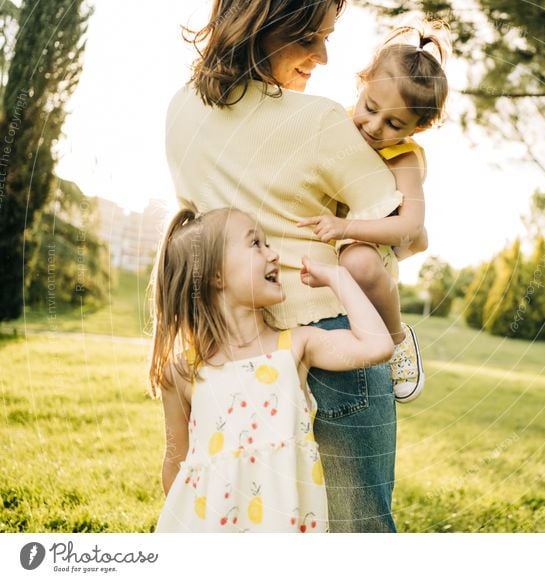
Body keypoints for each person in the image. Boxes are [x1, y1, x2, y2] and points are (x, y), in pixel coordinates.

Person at [166, 0, 404, 531]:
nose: (322, 55)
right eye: (308, 38)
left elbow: (202, 234)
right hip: (335, 340)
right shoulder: (318, 120)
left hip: (230, 354)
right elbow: (397, 226)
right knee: (356, 530)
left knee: (241, 516)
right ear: (263, 27)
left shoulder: (180, 111)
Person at [150, 207, 394, 533]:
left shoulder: (294, 347)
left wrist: (339, 277)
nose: (274, 255)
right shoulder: (183, 371)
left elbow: (377, 346)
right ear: (214, 275)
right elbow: (175, 462)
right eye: (256, 244)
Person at [297, 22, 450, 404]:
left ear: (420, 127)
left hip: (372, 238)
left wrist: (346, 226)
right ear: (361, 82)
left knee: (360, 263)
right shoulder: (338, 125)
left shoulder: (404, 158)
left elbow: (410, 225)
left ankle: (398, 340)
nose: (374, 126)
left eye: (395, 124)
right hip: (331, 237)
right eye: (370, 108)